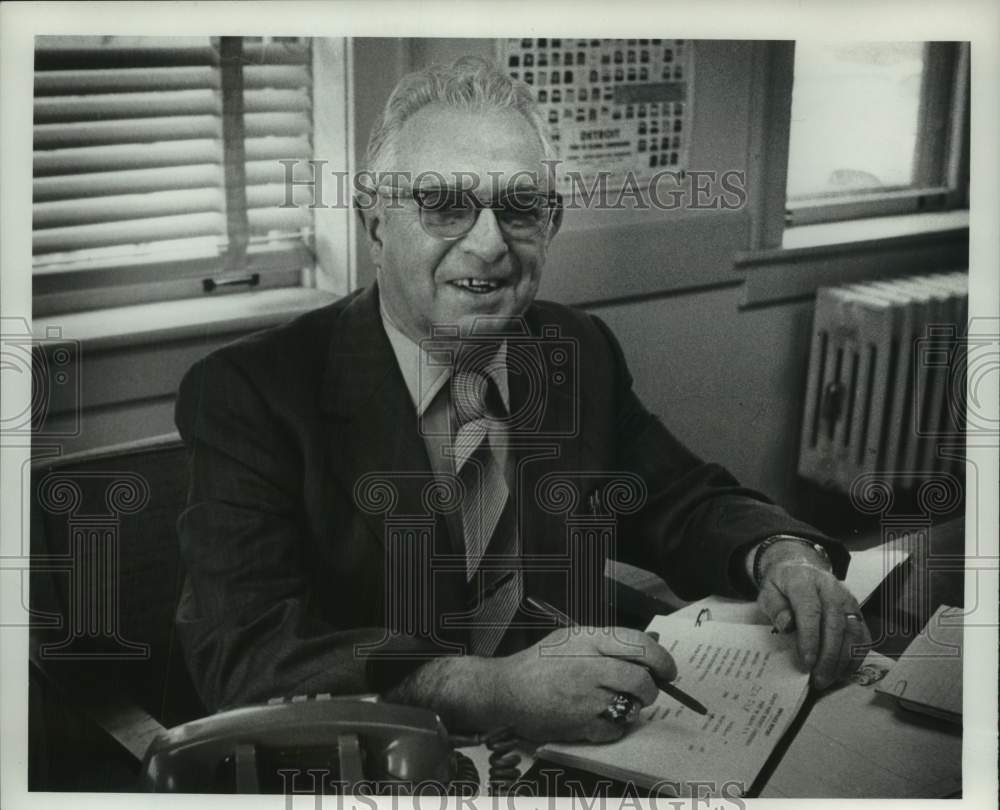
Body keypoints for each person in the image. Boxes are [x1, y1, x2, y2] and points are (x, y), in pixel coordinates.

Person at [174, 56, 870, 744]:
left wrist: (780, 553)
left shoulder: (574, 350)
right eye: (445, 205)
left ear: (552, 221)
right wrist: (491, 689)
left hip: (580, 752)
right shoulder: (254, 394)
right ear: (375, 221)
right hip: (381, 771)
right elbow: (244, 654)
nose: (488, 244)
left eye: (519, 207)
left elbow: (679, 499)